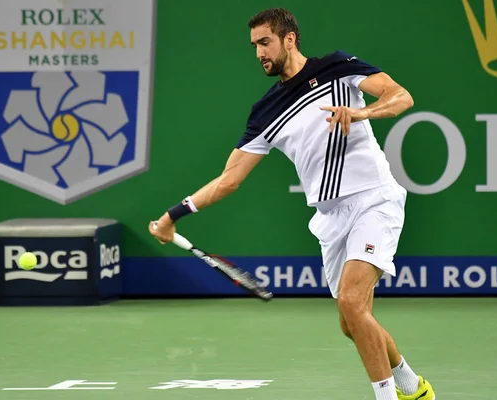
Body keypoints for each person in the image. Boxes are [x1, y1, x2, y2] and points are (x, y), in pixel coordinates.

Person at [149, 7, 435, 400]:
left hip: (374, 199)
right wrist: (173, 214)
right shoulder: (265, 111)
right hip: (330, 217)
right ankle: (411, 385)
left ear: (289, 39)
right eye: (253, 46)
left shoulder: (338, 67)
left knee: (353, 301)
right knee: (352, 323)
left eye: (264, 42)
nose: (259, 53)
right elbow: (229, 179)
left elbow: (400, 96)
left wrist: (361, 112)